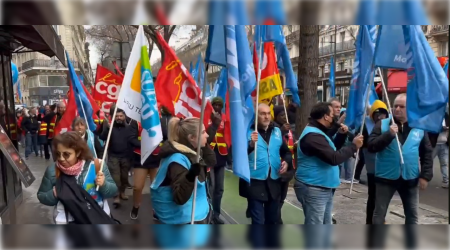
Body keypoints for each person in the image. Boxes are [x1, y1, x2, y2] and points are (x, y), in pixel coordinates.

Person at [367, 93, 433, 224]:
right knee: (379, 213)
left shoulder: (419, 127)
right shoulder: (382, 124)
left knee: (412, 214)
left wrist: (425, 176)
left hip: (410, 178)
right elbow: (371, 146)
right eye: (395, 106)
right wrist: (389, 134)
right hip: (385, 177)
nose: (397, 109)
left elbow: (427, 152)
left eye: (401, 106)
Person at [294, 102, 363, 224]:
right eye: (332, 115)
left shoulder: (318, 132)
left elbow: (331, 149)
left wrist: (341, 135)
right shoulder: (313, 136)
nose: (334, 118)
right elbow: (333, 158)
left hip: (322, 186)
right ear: (325, 116)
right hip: (314, 187)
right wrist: (353, 146)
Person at [37, 131, 117, 224]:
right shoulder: (53, 171)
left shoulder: (97, 166)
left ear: (78, 152)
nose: (61, 158)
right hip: (67, 222)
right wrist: (54, 194)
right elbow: (42, 196)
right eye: (58, 154)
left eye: (66, 154)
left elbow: (113, 191)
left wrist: (104, 185)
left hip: (96, 219)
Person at [150, 117, 216, 224]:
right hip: (183, 220)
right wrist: (190, 177)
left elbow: (212, 161)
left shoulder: (192, 150)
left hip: (193, 214)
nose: (207, 135)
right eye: (203, 132)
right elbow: (180, 198)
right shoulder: (177, 160)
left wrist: (202, 144)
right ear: (192, 138)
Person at [240, 103, 292, 225]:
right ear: (256, 116)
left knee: (272, 219)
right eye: (263, 114)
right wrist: (251, 145)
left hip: (274, 180)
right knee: (258, 221)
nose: (266, 117)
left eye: (268, 113)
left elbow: (286, 152)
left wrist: (286, 162)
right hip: (254, 181)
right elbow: (237, 155)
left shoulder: (277, 131)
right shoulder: (247, 131)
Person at [99, 108, 140, 207]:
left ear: (124, 117)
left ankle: (122, 192)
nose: (119, 118)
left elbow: (133, 141)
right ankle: (116, 197)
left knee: (124, 177)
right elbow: (102, 137)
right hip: (114, 157)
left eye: (121, 116)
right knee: (116, 178)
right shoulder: (110, 127)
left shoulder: (130, 128)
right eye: (117, 116)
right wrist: (107, 129)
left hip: (126, 157)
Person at [361, 100, 389, 224]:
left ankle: (380, 219)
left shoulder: (388, 124)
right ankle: (370, 221)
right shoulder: (364, 125)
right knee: (373, 196)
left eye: (383, 114)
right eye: (378, 115)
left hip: (386, 168)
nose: (380, 117)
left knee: (382, 198)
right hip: (372, 168)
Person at [207, 97, 231, 224]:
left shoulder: (226, 118)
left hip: (221, 156)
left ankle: (216, 214)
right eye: (214, 105)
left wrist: (230, 157)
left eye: (219, 105)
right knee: (211, 187)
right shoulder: (207, 116)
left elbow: (228, 136)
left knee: (220, 189)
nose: (216, 107)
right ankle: (209, 214)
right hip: (209, 155)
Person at [273, 105, 296, 224]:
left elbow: (289, 149)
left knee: (282, 196)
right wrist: (281, 131)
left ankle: (277, 215)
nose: (284, 118)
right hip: (277, 168)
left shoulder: (289, 129)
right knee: (275, 198)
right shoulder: (274, 129)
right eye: (281, 115)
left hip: (288, 167)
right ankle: (276, 219)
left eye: (285, 115)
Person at [428, 110, 449, 188]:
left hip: (444, 144)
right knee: (428, 161)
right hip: (434, 144)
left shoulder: (446, 116)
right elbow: (430, 128)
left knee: (444, 163)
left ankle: (446, 181)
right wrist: (441, 128)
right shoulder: (433, 116)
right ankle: (425, 177)